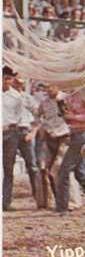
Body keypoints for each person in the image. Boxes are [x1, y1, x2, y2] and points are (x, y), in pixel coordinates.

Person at [2, 67, 43, 211]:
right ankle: (5, 203)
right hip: (7, 132)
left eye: (9, 78)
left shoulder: (20, 96)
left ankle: (40, 199)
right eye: (5, 78)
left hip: (23, 131)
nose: (7, 81)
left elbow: (39, 114)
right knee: (8, 168)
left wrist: (33, 131)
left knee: (32, 166)